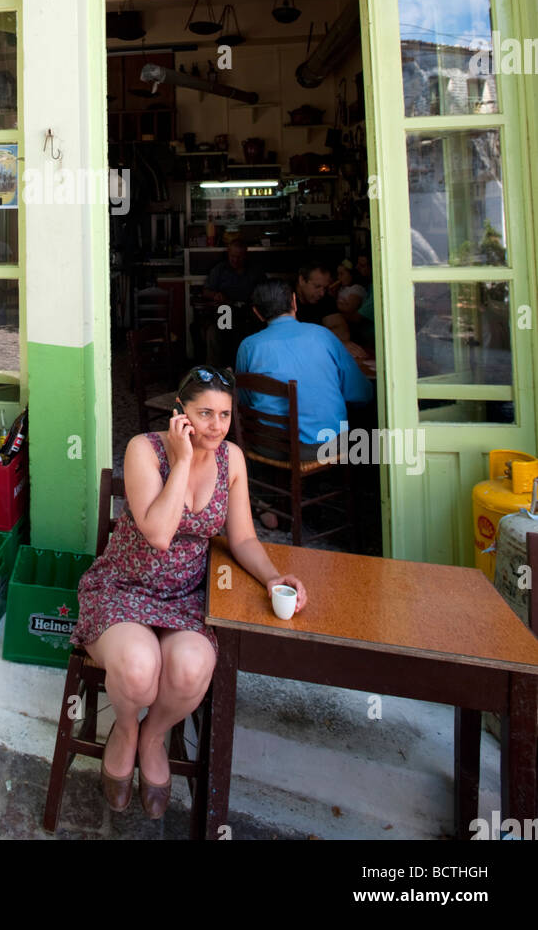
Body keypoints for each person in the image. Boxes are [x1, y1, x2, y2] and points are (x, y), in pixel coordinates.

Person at [70, 365, 307, 818]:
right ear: (180, 414)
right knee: (141, 669)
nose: (216, 426)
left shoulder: (231, 459)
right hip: (124, 588)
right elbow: (159, 533)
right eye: (204, 414)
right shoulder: (145, 449)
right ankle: (124, 730)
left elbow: (242, 539)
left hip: (185, 597)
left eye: (224, 415)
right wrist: (181, 461)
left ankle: (154, 735)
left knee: (192, 668)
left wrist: (273, 577)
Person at [235, 280, 373, 460]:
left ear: (257, 313)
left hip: (270, 446)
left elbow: (244, 399)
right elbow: (360, 392)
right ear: (294, 302)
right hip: (325, 447)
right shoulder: (323, 335)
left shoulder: (248, 347)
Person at [202, 237, 258, 367]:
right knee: (222, 331)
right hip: (226, 309)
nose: (235, 260)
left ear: (245, 256)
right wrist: (216, 295)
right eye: (232, 256)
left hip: (248, 310)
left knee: (252, 329)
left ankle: (247, 372)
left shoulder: (254, 270)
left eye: (239, 257)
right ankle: (219, 372)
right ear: (228, 253)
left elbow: (264, 290)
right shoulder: (220, 269)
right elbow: (205, 291)